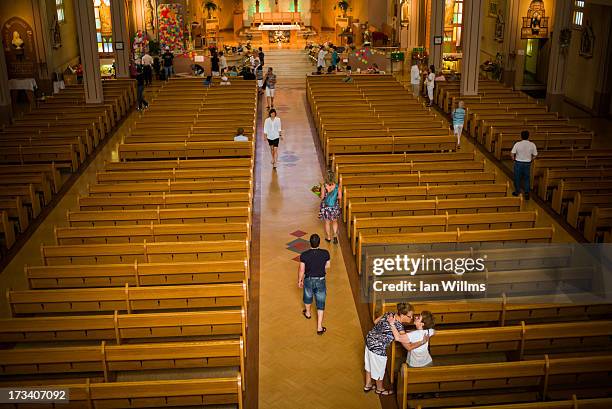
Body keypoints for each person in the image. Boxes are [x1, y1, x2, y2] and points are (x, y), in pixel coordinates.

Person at [364, 303, 417, 395]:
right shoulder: (399, 327)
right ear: (402, 315)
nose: (411, 318)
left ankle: (368, 384)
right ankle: (379, 389)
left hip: (369, 339)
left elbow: (375, 321)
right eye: (410, 316)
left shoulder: (389, 313)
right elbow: (408, 346)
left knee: (369, 364)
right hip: (378, 347)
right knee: (379, 370)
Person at [298, 234, 331, 335]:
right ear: (319, 243)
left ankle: (308, 313)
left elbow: (302, 270)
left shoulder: (304, 255)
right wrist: (320, 267)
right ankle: (319, 327)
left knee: (308, 296)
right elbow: (328, 266)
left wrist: (300, 280)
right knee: (320, 302)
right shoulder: (325, 253)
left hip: (308, 279)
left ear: (310, 243)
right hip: (321, 280)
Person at [511, 130, 538, 200]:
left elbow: (512, 153)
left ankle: (517, 191)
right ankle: (526, 192)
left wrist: (514, 159)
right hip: (527, 163)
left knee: (517, 177)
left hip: (518, 162)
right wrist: (531, 160)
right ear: (528, 136)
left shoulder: (517, 144)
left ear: (521, 136)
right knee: (526, 178)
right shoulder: (532, 144)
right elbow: (535, 155)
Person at [319, 171, 342, 244]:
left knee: (327, 222)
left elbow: (322, 197)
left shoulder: (324, 185)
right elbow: (340, 197)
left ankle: (328, 237)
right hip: (334, 206)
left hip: (326, 207)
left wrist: (320, 194)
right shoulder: (337, 186)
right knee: (334, 221)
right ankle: (335, 235)